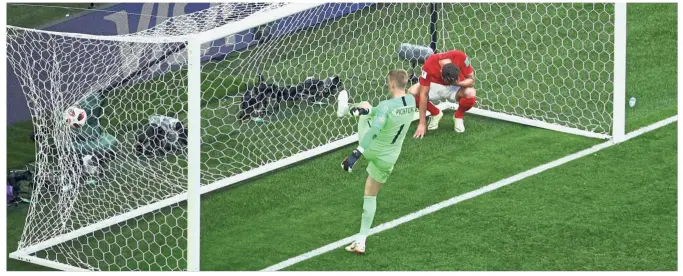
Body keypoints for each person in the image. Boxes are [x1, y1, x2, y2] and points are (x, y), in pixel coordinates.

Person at [336, 69, 416, 254]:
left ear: (392, 84)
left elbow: (374, 131)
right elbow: (381, 113)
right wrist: (370, 111)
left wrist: (356, 154)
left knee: (365, 106)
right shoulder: (411, 100)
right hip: (389, 158)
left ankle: (344, 111)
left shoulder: (387, 105)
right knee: (370, 195)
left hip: (372, 149)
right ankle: (361, 241)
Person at [409, 49, 476, 138]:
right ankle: (435, 113)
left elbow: (472, 80)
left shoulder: (461, 57)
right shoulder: (429, 64)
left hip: (456, 87)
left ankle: (458, 116)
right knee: (412, 92)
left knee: (471, 93)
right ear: (441, 72)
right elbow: (423, 94)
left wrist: (458, 83)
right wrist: (422, 123)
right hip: (436, 87)